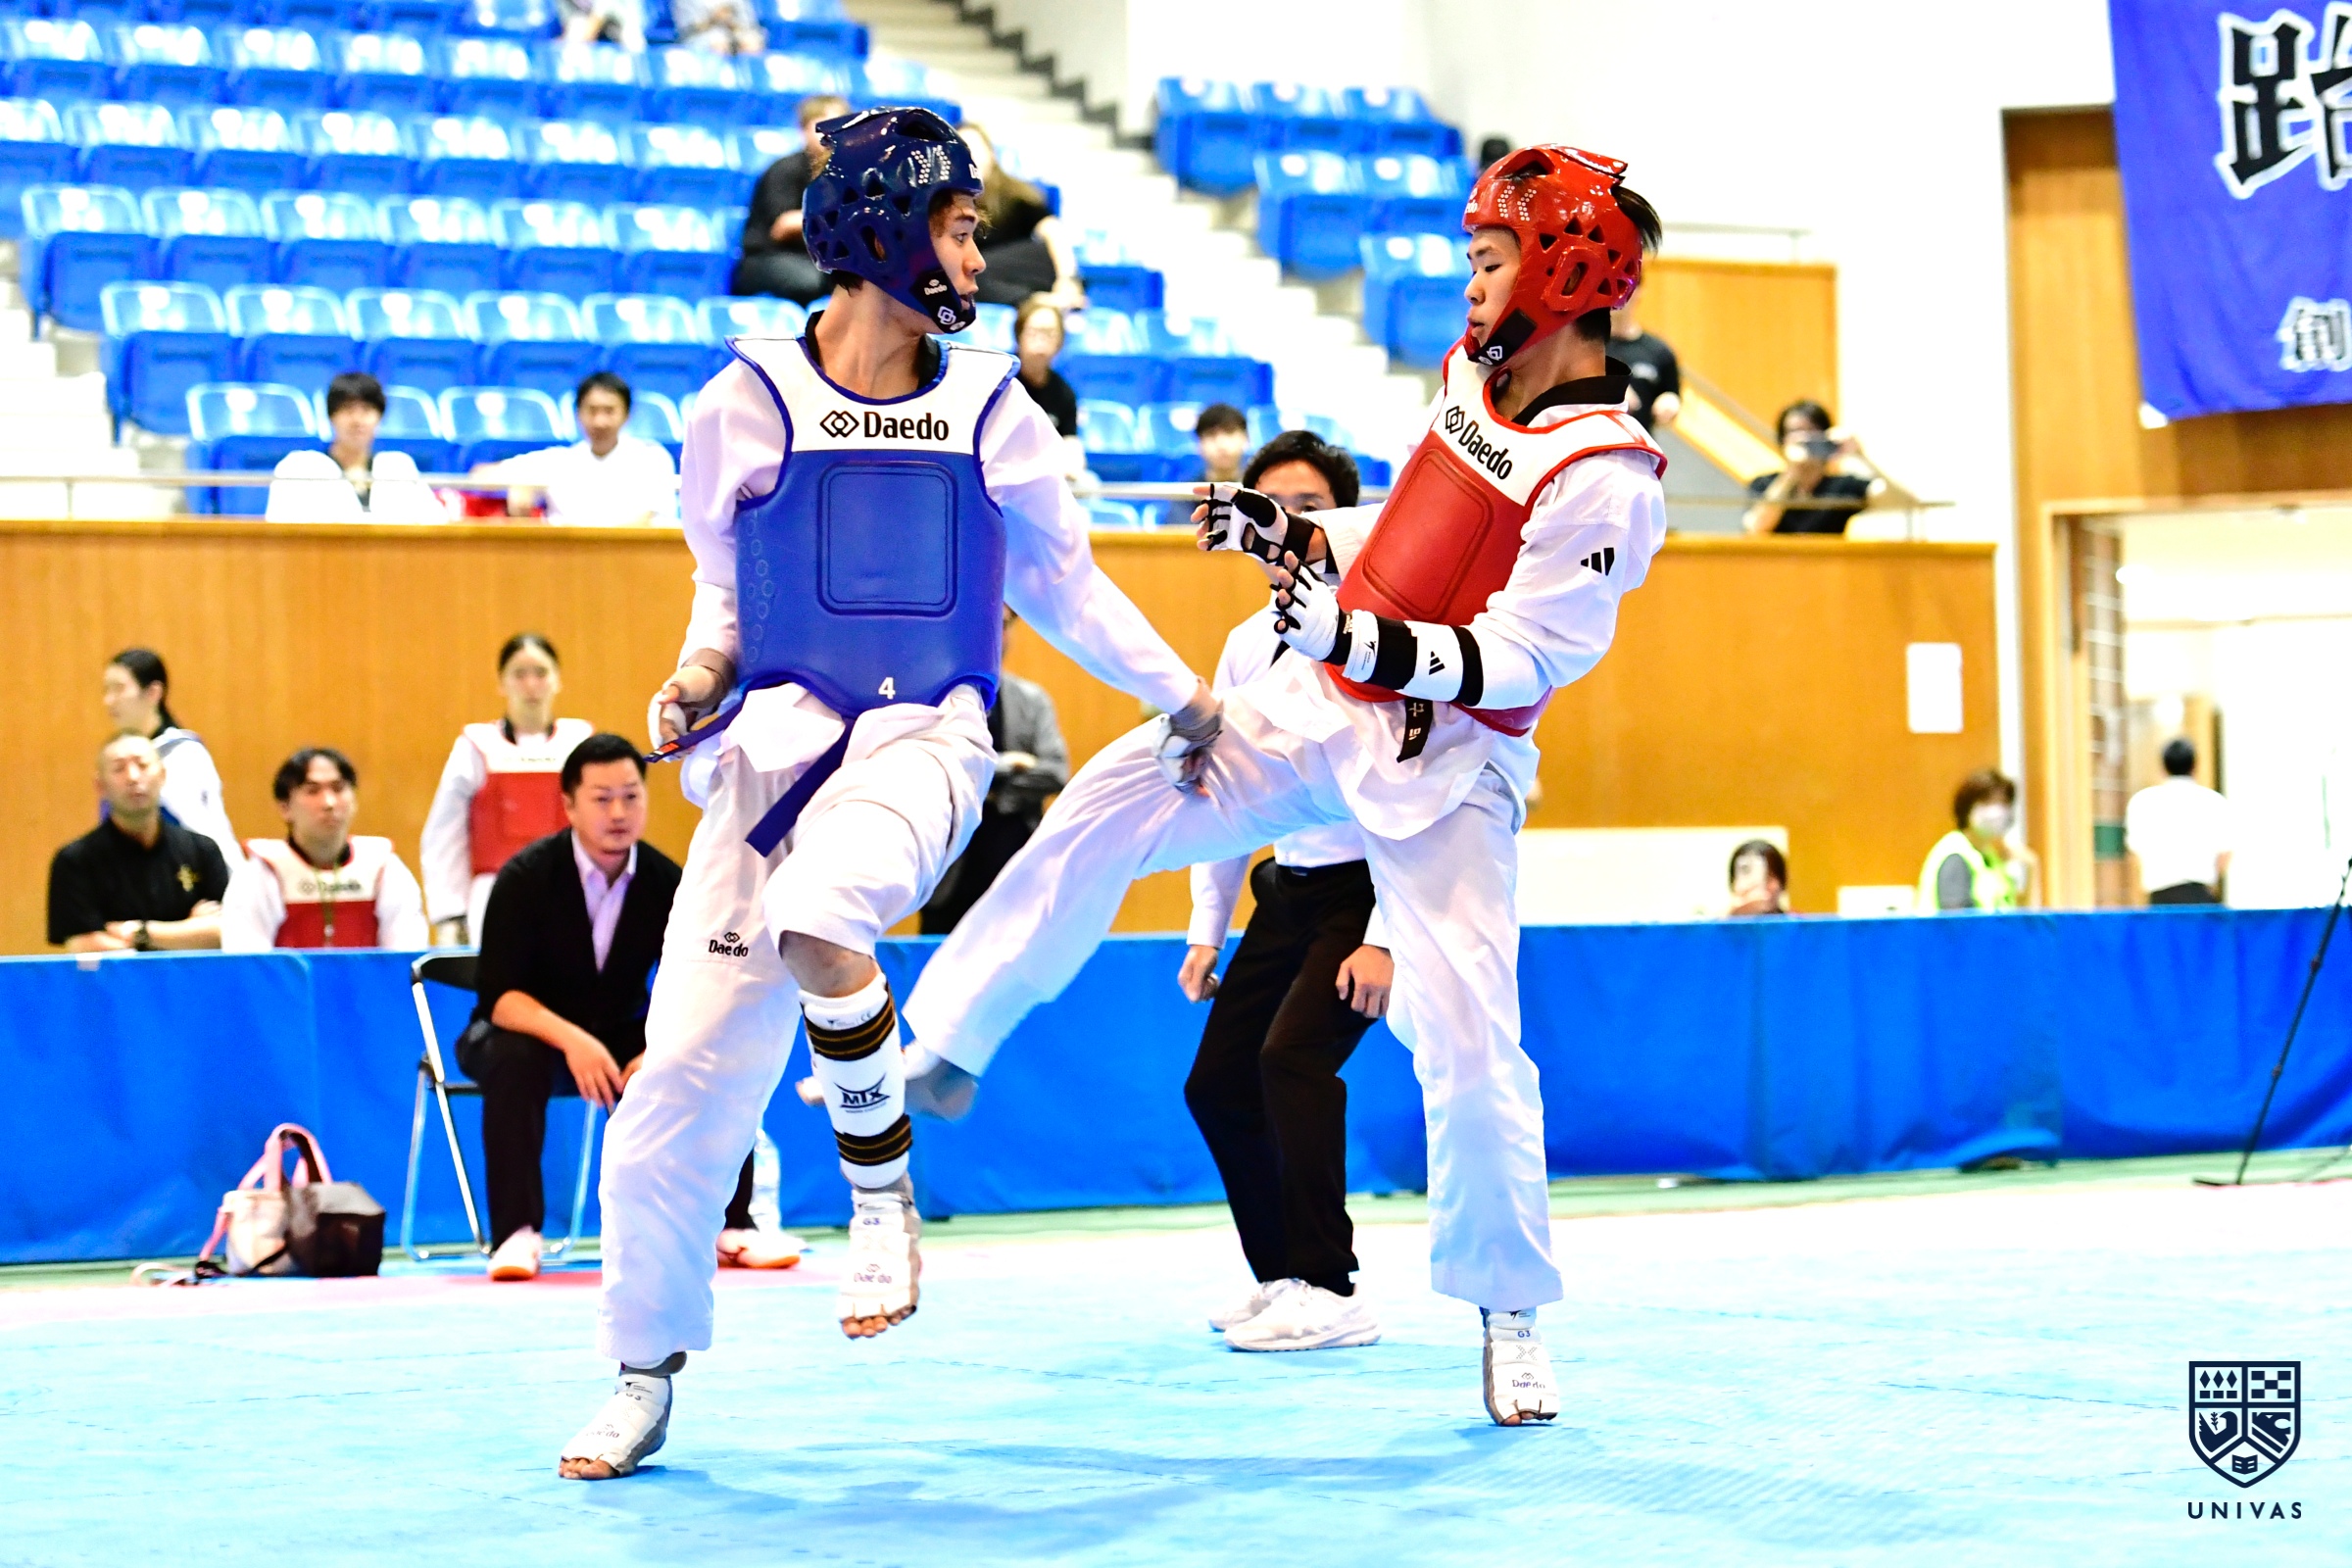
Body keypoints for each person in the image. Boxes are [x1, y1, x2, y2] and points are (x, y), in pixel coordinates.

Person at [899, 144, 1670, 1428]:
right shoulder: (1470, 379)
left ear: (1563, 274)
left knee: (1474, 1050)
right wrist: (1302, 538)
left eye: (1490, 261)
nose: (1469, 284)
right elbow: (1420, 534)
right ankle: (951, 1039)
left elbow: (1524, 658)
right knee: (1114, 792)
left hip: (1451, 771)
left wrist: (1345, 632)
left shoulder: (1606, 475)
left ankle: (1509, 1315)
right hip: (1326, 707)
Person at [556, 106, 1218, 1482]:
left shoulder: (993, 409)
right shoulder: (740, 401)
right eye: (962, 230)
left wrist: (1183, 698)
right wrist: (694, 677)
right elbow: (726, 595)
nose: (980, 260)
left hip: (927, 734)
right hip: (770, 752)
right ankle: (641, 1372)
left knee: (823, 914)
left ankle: (880, 1198)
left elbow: (1068, 588)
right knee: (675, 1088)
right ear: (885, 230)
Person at [462, 734, 798, 1281]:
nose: (618, 813)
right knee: (514, 1060)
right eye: (601, 799)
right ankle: (517, 1234)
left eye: (630, 797)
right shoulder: (524, 878)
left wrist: (659, 1049)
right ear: (569, 805)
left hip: (622, 1031)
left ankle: (733, 1225)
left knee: (708, 1052)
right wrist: (575, 1042)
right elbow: (500, 998)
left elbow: (699, 983)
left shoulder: (670, 883)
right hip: (527, 1031)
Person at [1179, 516, 1392, 1353]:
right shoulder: (1246, 643)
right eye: (1269, 512)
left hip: (1371, 886)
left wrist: (1384, 934)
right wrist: (1207, 929)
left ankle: (1332, 1287)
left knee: (1293, 1061)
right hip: (1287, 888)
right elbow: (1227, 792)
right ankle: (1281, 1277)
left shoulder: (1381, 633)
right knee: (1217, 1083)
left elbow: (1408, 790)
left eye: (1309, 510)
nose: (1287, 532)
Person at [420, 633, 597, 946]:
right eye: (519, 674)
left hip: (570, 890)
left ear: (557, 680)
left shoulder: (579, 744)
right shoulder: (476, 747)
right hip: (494, 893)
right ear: (502, 683)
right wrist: (449, 914)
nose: (531, 685)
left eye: (541, 673)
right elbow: (444, 833)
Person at [918, 612, 1069, 935]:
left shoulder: (1032, 700)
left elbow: (1056, 771)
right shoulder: (934, 699)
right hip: (951, 873)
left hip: (1017, 865)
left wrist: (994, 792)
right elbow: (930, 767)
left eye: (1002, 625)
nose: (994, 634)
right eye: (985, 622)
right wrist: (1008, 765)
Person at [222, 747, 430, 950]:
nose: (329, 803)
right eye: (312, 791)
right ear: (285, 807)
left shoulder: (383, 866)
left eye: (338, 789)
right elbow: (249, 960)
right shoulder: (261, 872)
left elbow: (406, 954)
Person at [48, 733, 228, 952]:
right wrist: (188, 932)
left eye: (142, 765)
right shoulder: (75, 861)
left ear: (162, 776)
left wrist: (140, 933)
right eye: (119, 769)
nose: (133, 777)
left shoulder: (202, 851)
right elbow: (86, 945)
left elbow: (222, 933)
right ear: (100, 786)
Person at [99, 647, 239, 867]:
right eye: (106, 690)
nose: (109, 700)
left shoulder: (182, 756)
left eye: (119, 689)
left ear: (153, 693)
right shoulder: (120, 757)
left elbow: (203, 837)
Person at [497, 372, 678, 527]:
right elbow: (485, 475)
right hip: (565, 553)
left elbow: (653, 519)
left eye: (609, 411)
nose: (599, 421)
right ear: (578, 413)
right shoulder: (556, 460)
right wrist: (520, 485)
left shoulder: (652, 458)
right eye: (592, 410)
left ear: (627, 414)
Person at [266, 371, 444, 525]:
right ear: (331, 417)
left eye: (367, 410)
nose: (357, 420)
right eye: (348, 410)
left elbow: (435, 524)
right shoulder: (300, 467)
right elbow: (280, 530)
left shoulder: (399, 467)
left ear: (380, 417)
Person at [734, 92, 852, 304]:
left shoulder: (847, 172)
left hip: (819, 260)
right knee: (813, 280)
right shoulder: (784, 170)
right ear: (803, 129)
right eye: (823, 125)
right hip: (770, 257)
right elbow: (782, 227)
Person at [957, 122, 1082, 308]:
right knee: (968, 274)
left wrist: (1067, 279)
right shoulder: (948, 204)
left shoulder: (1015, 194)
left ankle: (1049, 301)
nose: (970, 158)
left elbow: (1053, 232)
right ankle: (1039, 301)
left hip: (1026, 269)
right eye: (963, 152)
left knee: (977, 271)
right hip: (990, 282)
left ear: (991, 154)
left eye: (975, 149)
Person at [1740, 400, 1883, 535]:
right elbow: (1756, 527)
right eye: (1794, 432)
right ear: (1783, 440)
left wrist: (1861, 456)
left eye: (1811, 431)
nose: (1804, 439)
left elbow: (1894, 501)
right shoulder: (1764, 483)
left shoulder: (1842, 486)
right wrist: (1792, 473)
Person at [2127, 738, 2232, 905]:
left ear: (2163, 768)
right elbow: (2225, 853)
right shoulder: (2215, 801)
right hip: (2200, 896)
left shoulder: (2142, 802)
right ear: (2195, 767)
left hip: (2160, 899)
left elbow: (2134, 852)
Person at [1917, 768, 2038, 912]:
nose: (1996, 811)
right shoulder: (1956, 856)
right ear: (1967, 808)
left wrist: (2032, 867)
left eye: (2003, 803)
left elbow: (2020, 917)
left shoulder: (1991, 858)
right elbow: (1958, 921)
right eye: (1987, 802)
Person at [1160, 403, 1252, 526]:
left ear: (1246, 438)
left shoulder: (1263, 490)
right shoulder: (1185, 495)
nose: (1221, 444)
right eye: (1211, 435)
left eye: (1230, 432)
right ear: (1199, 444)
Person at [1609, 304, 1680, 431]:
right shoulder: (1588, 346)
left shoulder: (1658, 351)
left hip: (1639, 438)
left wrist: (1670, 401)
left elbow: (1671, 393)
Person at [670, 0, 761, 55]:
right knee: (719, 45)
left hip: (732, 34)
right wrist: (714, 18)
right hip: (698, 37)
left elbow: (747, 26)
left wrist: (730, 22)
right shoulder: (685, 1)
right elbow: (687, 31)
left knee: (751, 44)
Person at [1726, 838, 1788, 916]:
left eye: (1769, 878)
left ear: (1782, 882)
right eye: (1746, 875)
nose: (1761, 885)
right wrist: (1731, 916)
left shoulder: (1797, 922)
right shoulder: (1721, 920)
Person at [558, 0, 643, 50]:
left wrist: (588, 32)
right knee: (575, 34)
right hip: (586, 20)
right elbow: (570, 21)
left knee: (633, 40)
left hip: (620, 20)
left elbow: (603, 10)